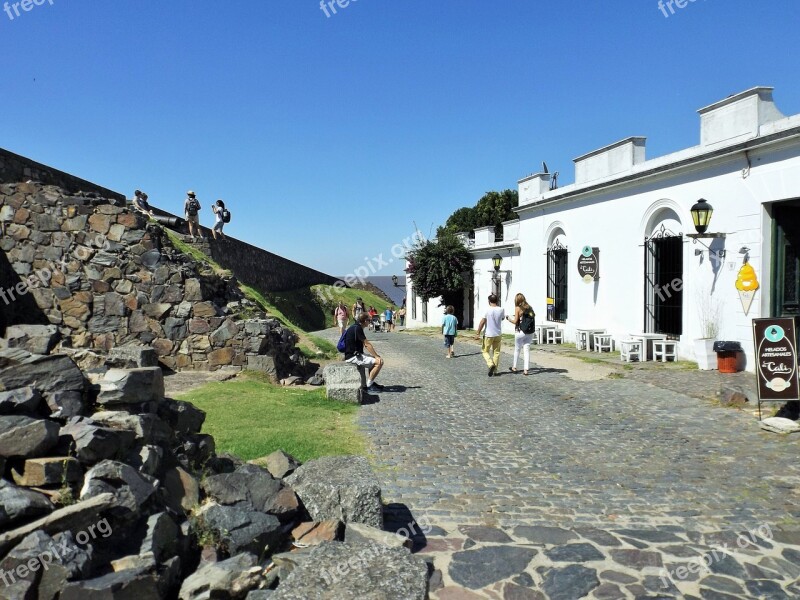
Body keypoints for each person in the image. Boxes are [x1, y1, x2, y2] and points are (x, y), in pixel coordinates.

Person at [344, 313, 385, 392]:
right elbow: (367, 344)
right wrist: (376, 356)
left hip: (353, 354)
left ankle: (369, 384)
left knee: (373, 360)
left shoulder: (354, 327)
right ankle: (369, 386)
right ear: (365, 321)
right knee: (379, 362)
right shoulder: (358, 328)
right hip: (353, 356)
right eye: (369, 320)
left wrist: (374, 356)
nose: (370, 322)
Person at [476, 294, 505, 376]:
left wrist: (478, 332)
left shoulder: (487, 310)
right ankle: (495, 370)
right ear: (497, 301)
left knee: (485, 351)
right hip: (498, 333)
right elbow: (502, 318)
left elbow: (482, 322)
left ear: (489, 301)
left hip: (488, 334)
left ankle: (490, 363)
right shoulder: (501, 309)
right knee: (496, 352)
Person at [507, 293, 535, 375]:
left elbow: (516, 321)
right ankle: (526, 369)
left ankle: (514, 367)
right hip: (530, 332)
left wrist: (508, 319)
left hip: (520, 331)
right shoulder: (530, 308)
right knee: (526, 350)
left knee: (517, 349)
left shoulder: (517, 308)